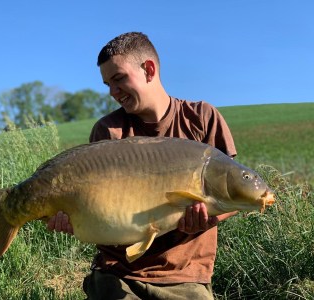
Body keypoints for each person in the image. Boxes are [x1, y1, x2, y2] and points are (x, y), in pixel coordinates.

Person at [47, 32, 238, 300]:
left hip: (184, 275)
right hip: (118, 274)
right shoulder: (108, 130)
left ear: (149, 69)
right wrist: (71, 217)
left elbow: (233, 191)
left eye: (119, 79)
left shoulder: (202, 118)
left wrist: (207, 219)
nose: (113, 92)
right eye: (107, 84)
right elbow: (94, 208)